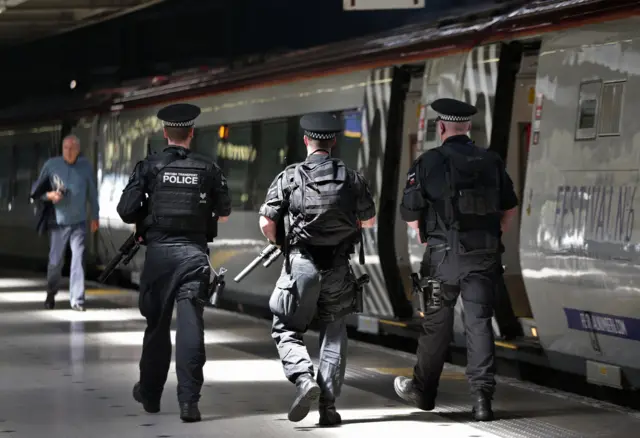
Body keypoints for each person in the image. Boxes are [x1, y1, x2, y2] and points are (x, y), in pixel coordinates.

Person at [394, 98, 518, 421]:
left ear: (442, 127)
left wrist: (424, 234)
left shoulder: (428, 163)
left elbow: (410, 214)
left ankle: (423, 391)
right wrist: (493, 237)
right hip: (483, 259)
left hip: (442, 261)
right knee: (479, 325)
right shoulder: (491, 161)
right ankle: (481, 401)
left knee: (436, 325)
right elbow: (509, 208)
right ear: (468, 128)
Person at [116, 103, 231, 423]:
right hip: (194, 256)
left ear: (165, 133)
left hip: (160, 257)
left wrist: (148, 216)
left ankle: (151, 395)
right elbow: (224, 209)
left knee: (157, 328)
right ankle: (189, 402)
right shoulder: (209, 169)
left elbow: (126, 210)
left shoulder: (149, 167)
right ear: (191, 133)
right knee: (191, 326)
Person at [259, 113, 376, 426]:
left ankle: (303, 378)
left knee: (285, 327)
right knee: (334, 333)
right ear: (334, 141)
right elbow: (369, 220)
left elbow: (266, 221)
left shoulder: (290, 176)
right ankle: (328, 407)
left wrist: (281, 241)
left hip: (302, 266)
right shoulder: (351, 178)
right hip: (338, 267)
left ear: (306, 140)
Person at [32, 134, 99, 311]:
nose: (68, 152)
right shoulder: (51, 165)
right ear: (62, 149)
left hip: (79, 222)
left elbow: (92, 193)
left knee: (78, 259)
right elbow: (36, 191)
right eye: (65, 149)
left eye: (72, 149)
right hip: (57, 222)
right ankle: (51, 292)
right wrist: (50, 195)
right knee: (55, 262)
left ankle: (77, 300)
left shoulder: (85, 167)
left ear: (78, 150)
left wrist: (95, 216)